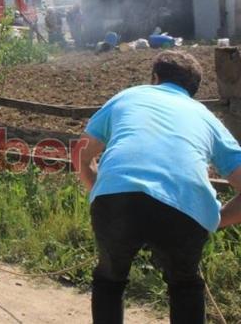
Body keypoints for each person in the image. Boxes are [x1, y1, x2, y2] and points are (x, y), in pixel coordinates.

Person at [77, 50, 241, 323]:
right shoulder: (205, 116)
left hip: (116, 199)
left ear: (155, 77)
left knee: (110, 279)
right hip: (183, 207)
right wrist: (215, 218)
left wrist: (98, 189)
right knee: (185, 284)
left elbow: (81, 153)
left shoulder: (128, 96)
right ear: (192, 90)